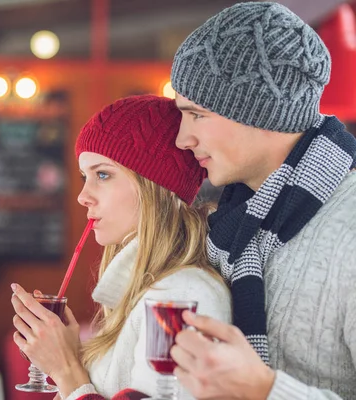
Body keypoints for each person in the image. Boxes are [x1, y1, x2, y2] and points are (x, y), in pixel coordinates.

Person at [166, 2, 356, 399]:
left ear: (261, 113)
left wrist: (263, 388)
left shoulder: (349, 229)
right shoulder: (229, 225)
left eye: (196, 114)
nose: (183, 138)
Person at [10, 94, 232, 400]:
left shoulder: (180, 297)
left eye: (103, 174)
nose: (83, 196)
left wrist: (66, 369)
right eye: (84, 177)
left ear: (156, 186)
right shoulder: (145, 291)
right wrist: (68, 357)